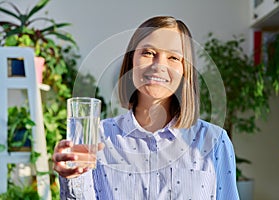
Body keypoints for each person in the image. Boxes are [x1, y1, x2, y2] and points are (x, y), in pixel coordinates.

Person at [53, 16, 240, 200]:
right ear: (131, 61)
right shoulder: (98, 138)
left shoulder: (215, 142)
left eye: (174, 57)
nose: (159, 65)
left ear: (186, 71)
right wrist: (73, 177)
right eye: (148, 53)